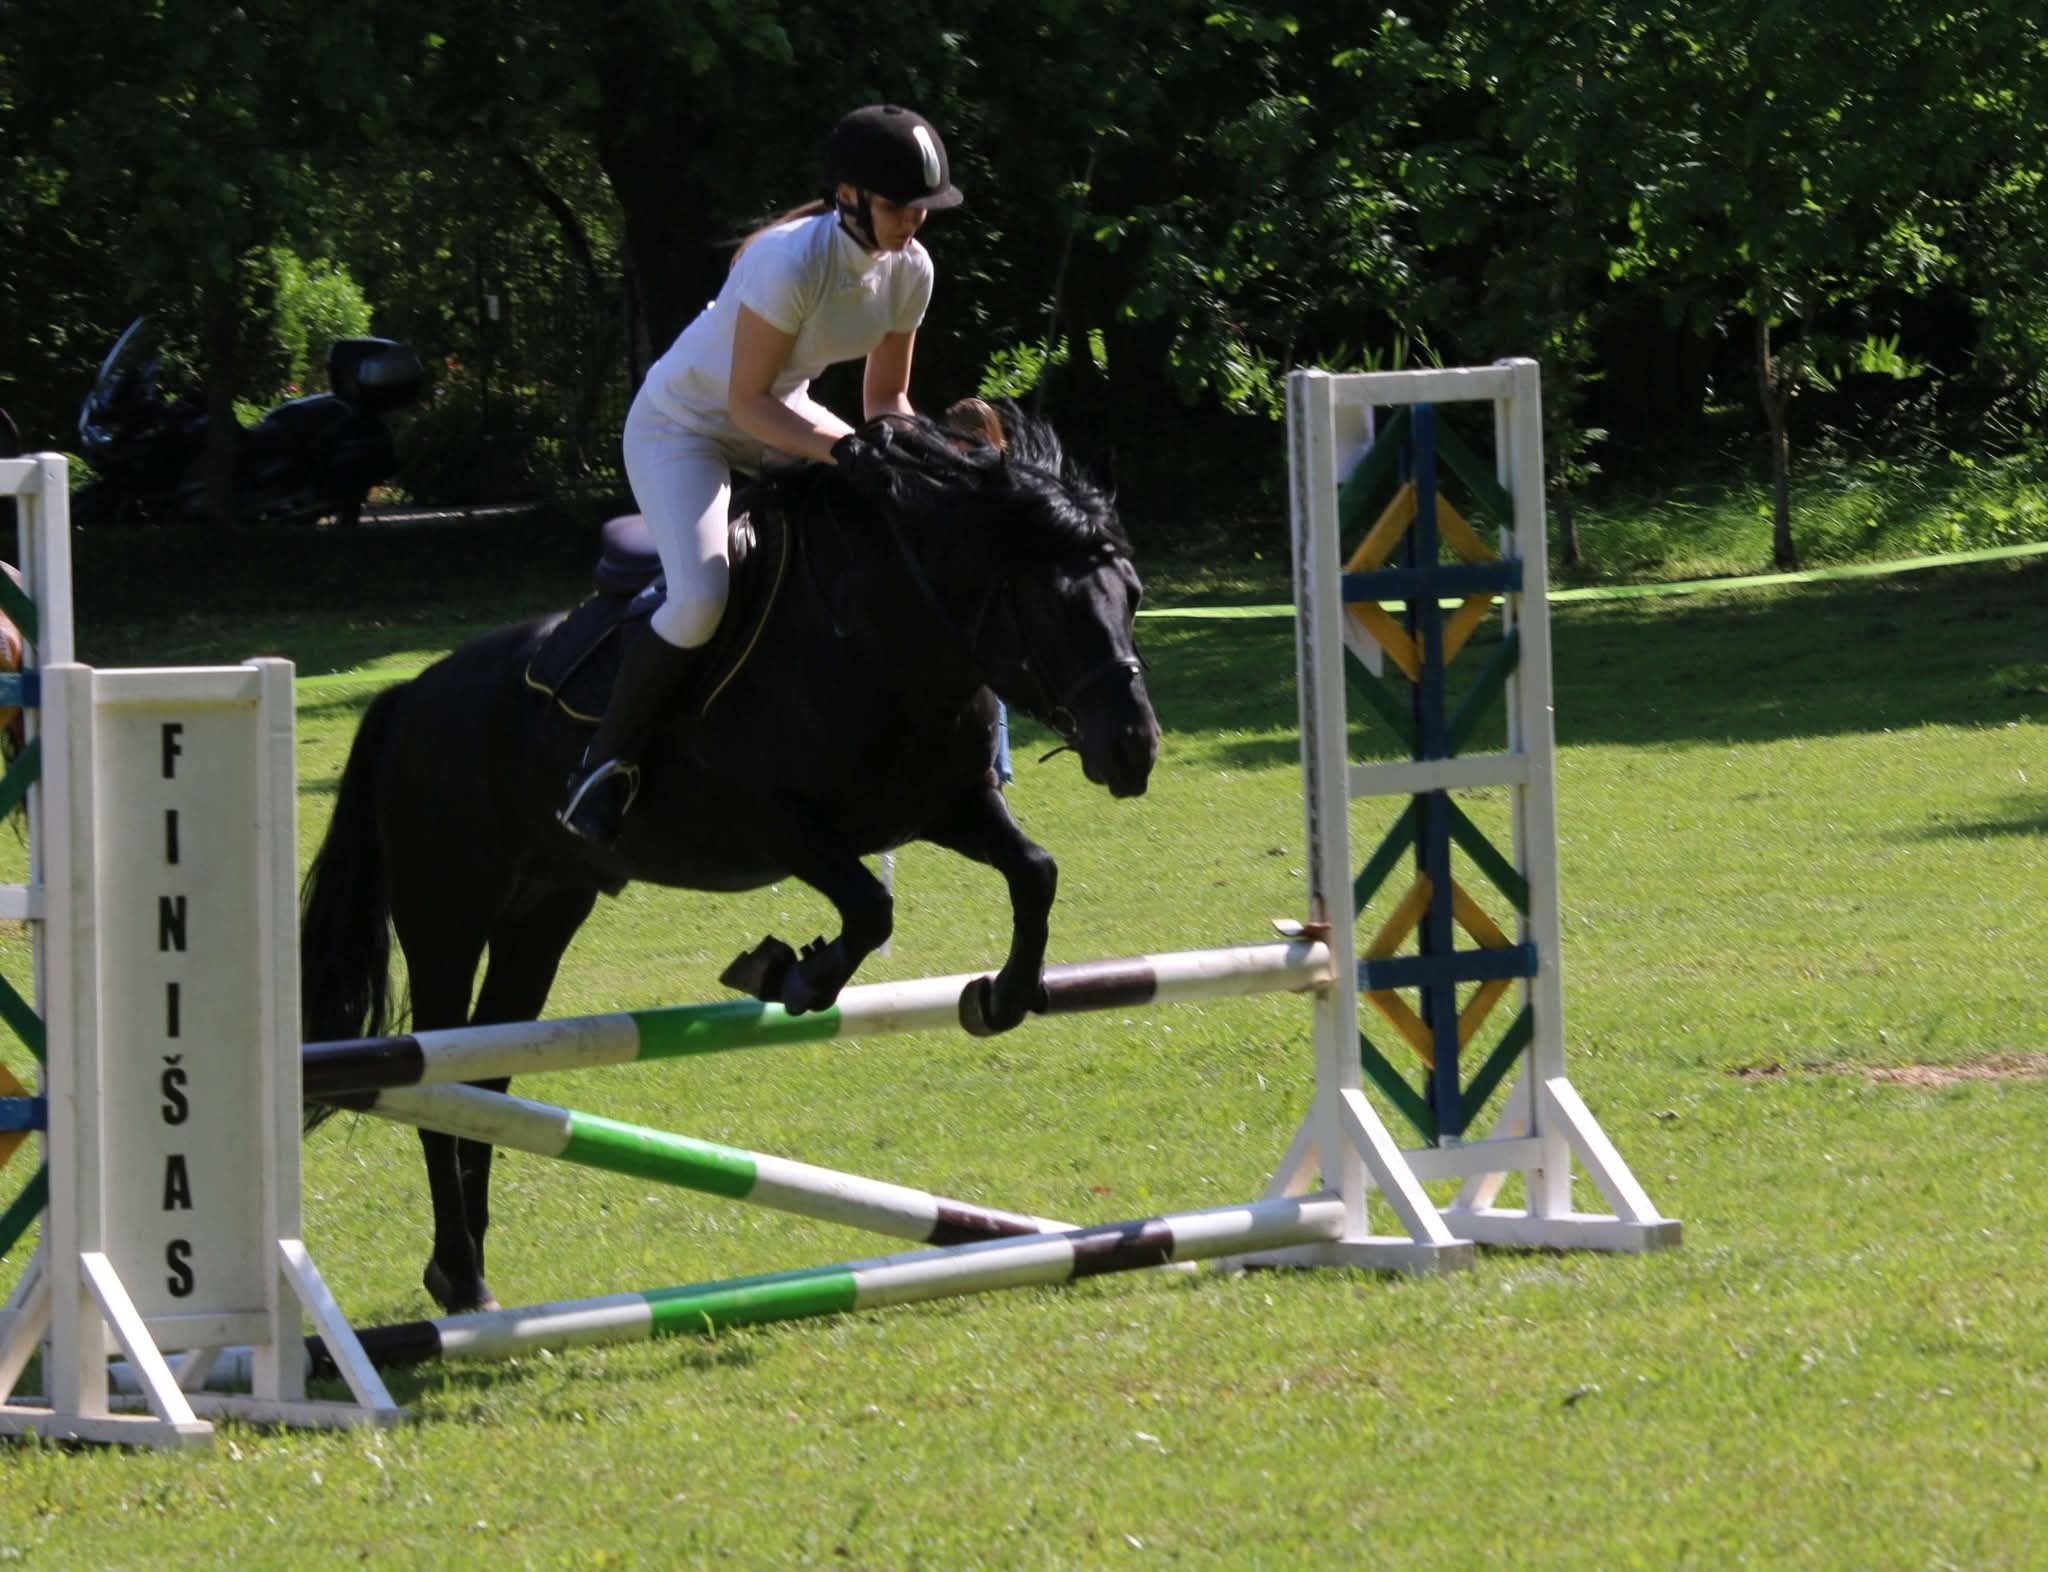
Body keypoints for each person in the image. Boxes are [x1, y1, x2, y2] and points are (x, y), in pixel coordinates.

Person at [559, 103, 965, 846]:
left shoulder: (911, 272)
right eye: (898, 205)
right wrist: (844, 451)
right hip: (684, 428)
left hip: (779, 418)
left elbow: (886, 399)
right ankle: (603, 762)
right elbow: (744, 403)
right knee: (701, 597)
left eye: (921, 208)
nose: (913, 221)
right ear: (848, 197)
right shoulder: (791, 260)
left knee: (907, 529)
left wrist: (922, 459)